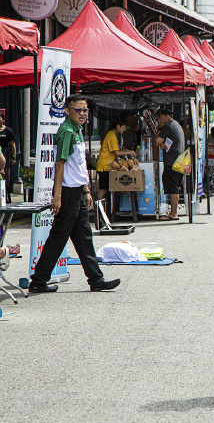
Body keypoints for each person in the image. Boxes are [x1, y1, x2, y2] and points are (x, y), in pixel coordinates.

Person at [28, 94, 120, 293]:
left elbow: (79, 166)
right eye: (78, 110)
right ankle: (38, 281)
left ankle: (96, 279)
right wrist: (57, 196)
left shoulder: (77, 130)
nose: (83, 114)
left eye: (85, 110)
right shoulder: (67, 131)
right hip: (67, 193)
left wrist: (86, 189)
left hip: (77, 191)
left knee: (84, 237)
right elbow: (59, 164)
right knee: (58, 237)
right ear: (67, 111)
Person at [154, 107, 185, 221]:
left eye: (158, 120)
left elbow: (157, 142)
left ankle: (173, 213)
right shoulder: (176, 124)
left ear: (162, 118)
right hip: (179, 161)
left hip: (172, 161)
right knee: (175, 186)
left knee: (172, 187)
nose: (158, 122)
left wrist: (159, 128)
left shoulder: (167, 126)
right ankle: (173, 212)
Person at [95, 118, 137, 201]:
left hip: (105, 166)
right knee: (103, 189)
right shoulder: (112, 136)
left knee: (105, 189)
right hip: (104, 166)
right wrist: (130, 152)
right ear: (118, 126)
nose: (125, 129)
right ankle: (98, 210)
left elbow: (115, 151)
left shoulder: (111, 135)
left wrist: (126, 151)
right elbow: (117, 153)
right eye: (124, 127)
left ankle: (103, 210)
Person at [0, 112, 17, 203]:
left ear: (3, 119)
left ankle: (6, 195)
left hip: (4, 154)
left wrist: (13, 157)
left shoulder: (8, 131)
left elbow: (12, 144)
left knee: (5, 176)